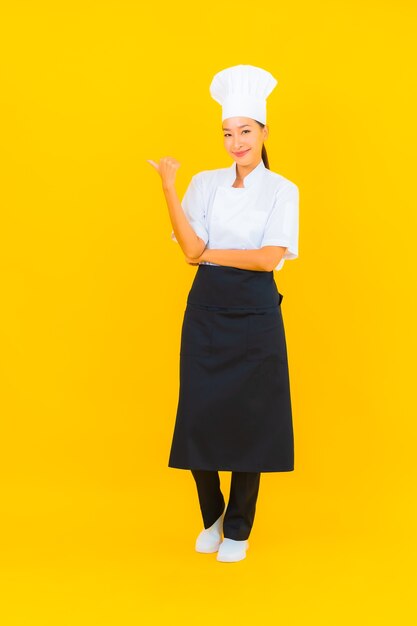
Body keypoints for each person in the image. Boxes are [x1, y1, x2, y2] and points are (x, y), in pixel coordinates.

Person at [148, 64, 299, 563]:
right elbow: (187, 247)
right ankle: (212, 515)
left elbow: (268, 258)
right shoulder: (206, 183)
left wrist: (208, 252)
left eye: (246, 132)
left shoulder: (282, 190)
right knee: (200, 413)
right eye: (228, 134)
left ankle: (238, 528)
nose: (236, 143)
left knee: (250, 419)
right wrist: (169, 184)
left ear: (263, 133)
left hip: (255, 312)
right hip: (207, 310)